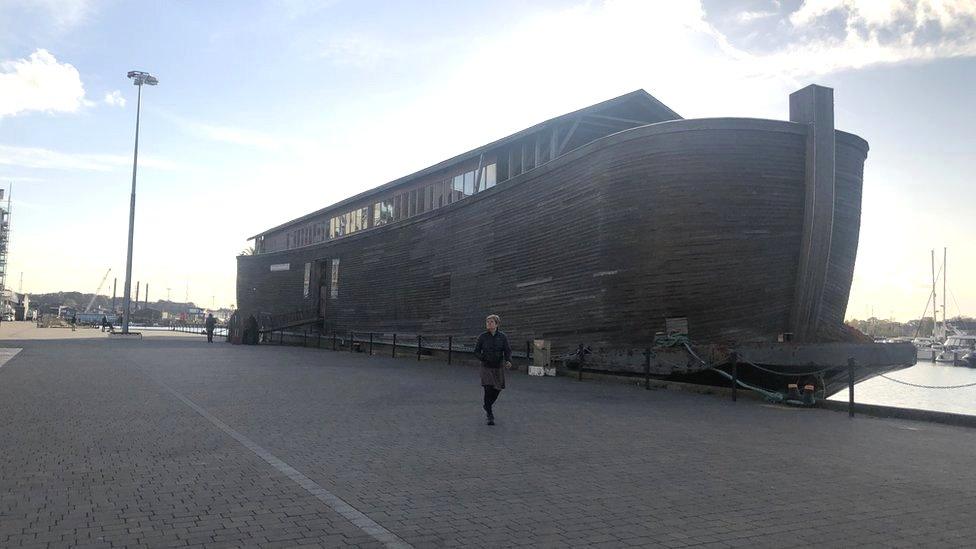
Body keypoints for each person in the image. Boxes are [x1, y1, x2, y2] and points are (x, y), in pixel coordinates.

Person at [473, 314, 512, 426]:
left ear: (496, 324)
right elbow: (476, 351)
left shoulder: (502, 337)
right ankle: (490, 415)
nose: (489, 324)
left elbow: (507, 350)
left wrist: (508, 360)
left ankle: (487, 404)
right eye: (487, 322)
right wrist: (483, 358)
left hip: (498, 366)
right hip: (486, 367)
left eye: (491, 322)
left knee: (497, 389)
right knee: (488, 388)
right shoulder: (482, 337)